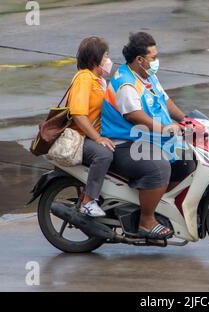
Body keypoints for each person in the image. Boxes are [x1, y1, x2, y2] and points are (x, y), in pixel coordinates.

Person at [101, 32, 195, 239]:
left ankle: (154, 205)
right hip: (124, 143)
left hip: (148, 139)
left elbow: (165, 100)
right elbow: (135, 116)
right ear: (140, 60)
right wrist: (165, 128)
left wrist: (187, 120)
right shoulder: (126, 83)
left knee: (187, 163)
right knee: (160, 169)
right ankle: (146, 221)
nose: (156, 61)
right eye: (153, 58)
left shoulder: (147, 75)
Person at [68, 36, 116, 217]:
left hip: (93, 134)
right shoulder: (84, 78)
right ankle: (88, 201)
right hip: (81, 137)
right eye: (105, 56)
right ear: (95, 58)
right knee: (103, 154)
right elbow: (78, 114)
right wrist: (98, 139)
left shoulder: (99, 80)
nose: (108, 60)